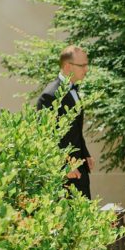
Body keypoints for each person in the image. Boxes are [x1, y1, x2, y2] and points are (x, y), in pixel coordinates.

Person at [36, 45, 93, 198]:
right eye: (82, 65)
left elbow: (74, 129)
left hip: (79, 166)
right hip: (65, 174)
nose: (86, 69)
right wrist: (64, 165)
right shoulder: (50, 95)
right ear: (68, 66)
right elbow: (46, 136)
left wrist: (85, 153)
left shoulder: (73, 89)